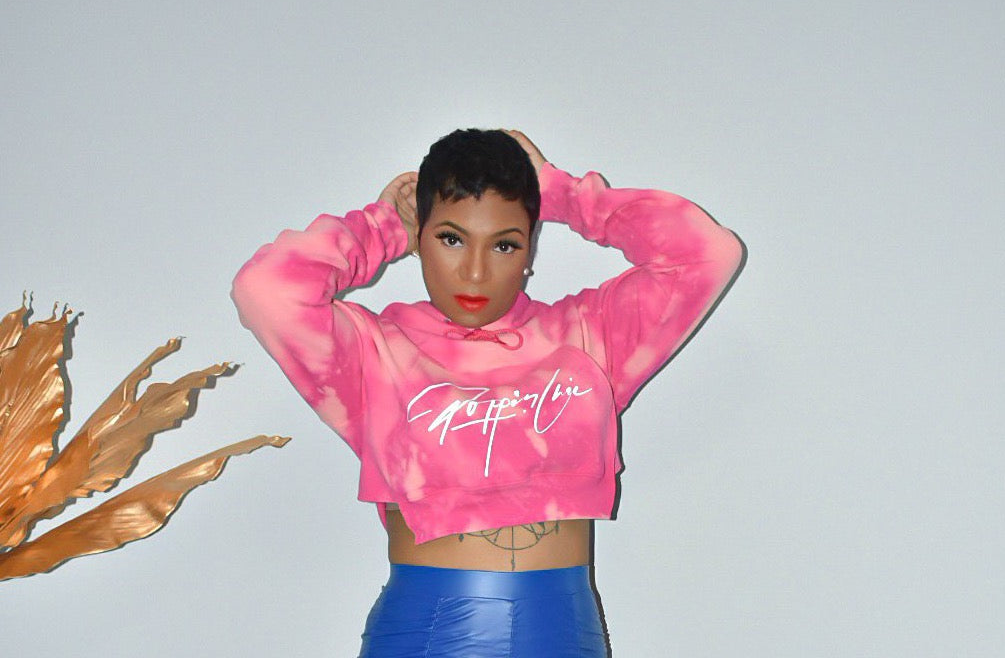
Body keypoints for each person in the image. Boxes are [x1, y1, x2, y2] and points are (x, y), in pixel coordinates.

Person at [231, 129, 744, 656]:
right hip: (427, 632)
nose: (475, 271)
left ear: (529, 248)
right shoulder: (373, 353)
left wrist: (564, 195)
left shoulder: (588, 336)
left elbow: (707, 254)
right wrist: (381, 228)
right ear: (420, 237)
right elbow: (265, 290)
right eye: (451, 239)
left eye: (504, 244)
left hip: (565, 632)